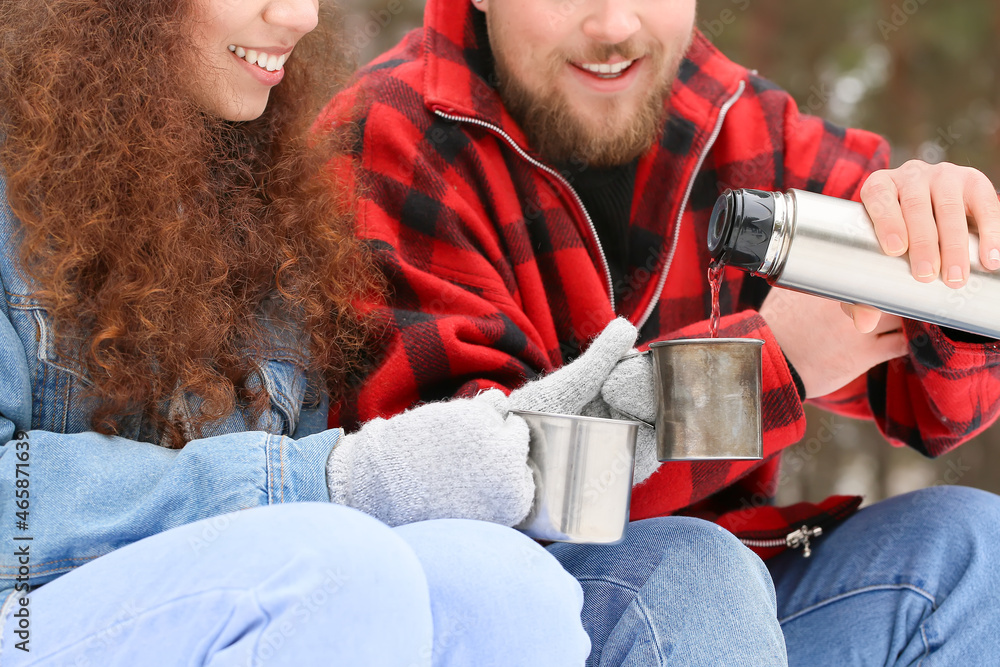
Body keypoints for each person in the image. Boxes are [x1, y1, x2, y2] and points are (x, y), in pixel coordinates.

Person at [0, 0, 793, 664]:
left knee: (508, 579)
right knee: (344, 566)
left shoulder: (261, 202)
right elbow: (330, 493)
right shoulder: (404, 131)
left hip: (238, 592)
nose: (301, 17)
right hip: (31, 612)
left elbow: (365, 486)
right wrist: (336, 480)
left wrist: (570, 433)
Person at [324, 0, 1000, 664]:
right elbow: (478, 485)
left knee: (973, 548)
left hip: (726, 610)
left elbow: (939, 409)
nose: (615, 26)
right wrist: (765, 365)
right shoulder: (388, 136)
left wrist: (950, 256)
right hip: (510, 620)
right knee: (691, 572)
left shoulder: (734, 116)